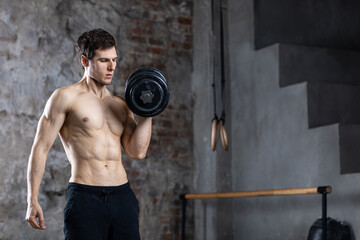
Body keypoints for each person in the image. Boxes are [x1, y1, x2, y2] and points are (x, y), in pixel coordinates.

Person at [25, 28, 151, 240]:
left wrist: (149, 112)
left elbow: (137, 152)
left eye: (114, 59)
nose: (112, 67)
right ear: (85, 60)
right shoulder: (65, 98)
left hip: (122, 197)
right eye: (103, 60)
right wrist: (32, 200)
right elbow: (40, 148)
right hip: (85, 198)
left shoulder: (120, 104)